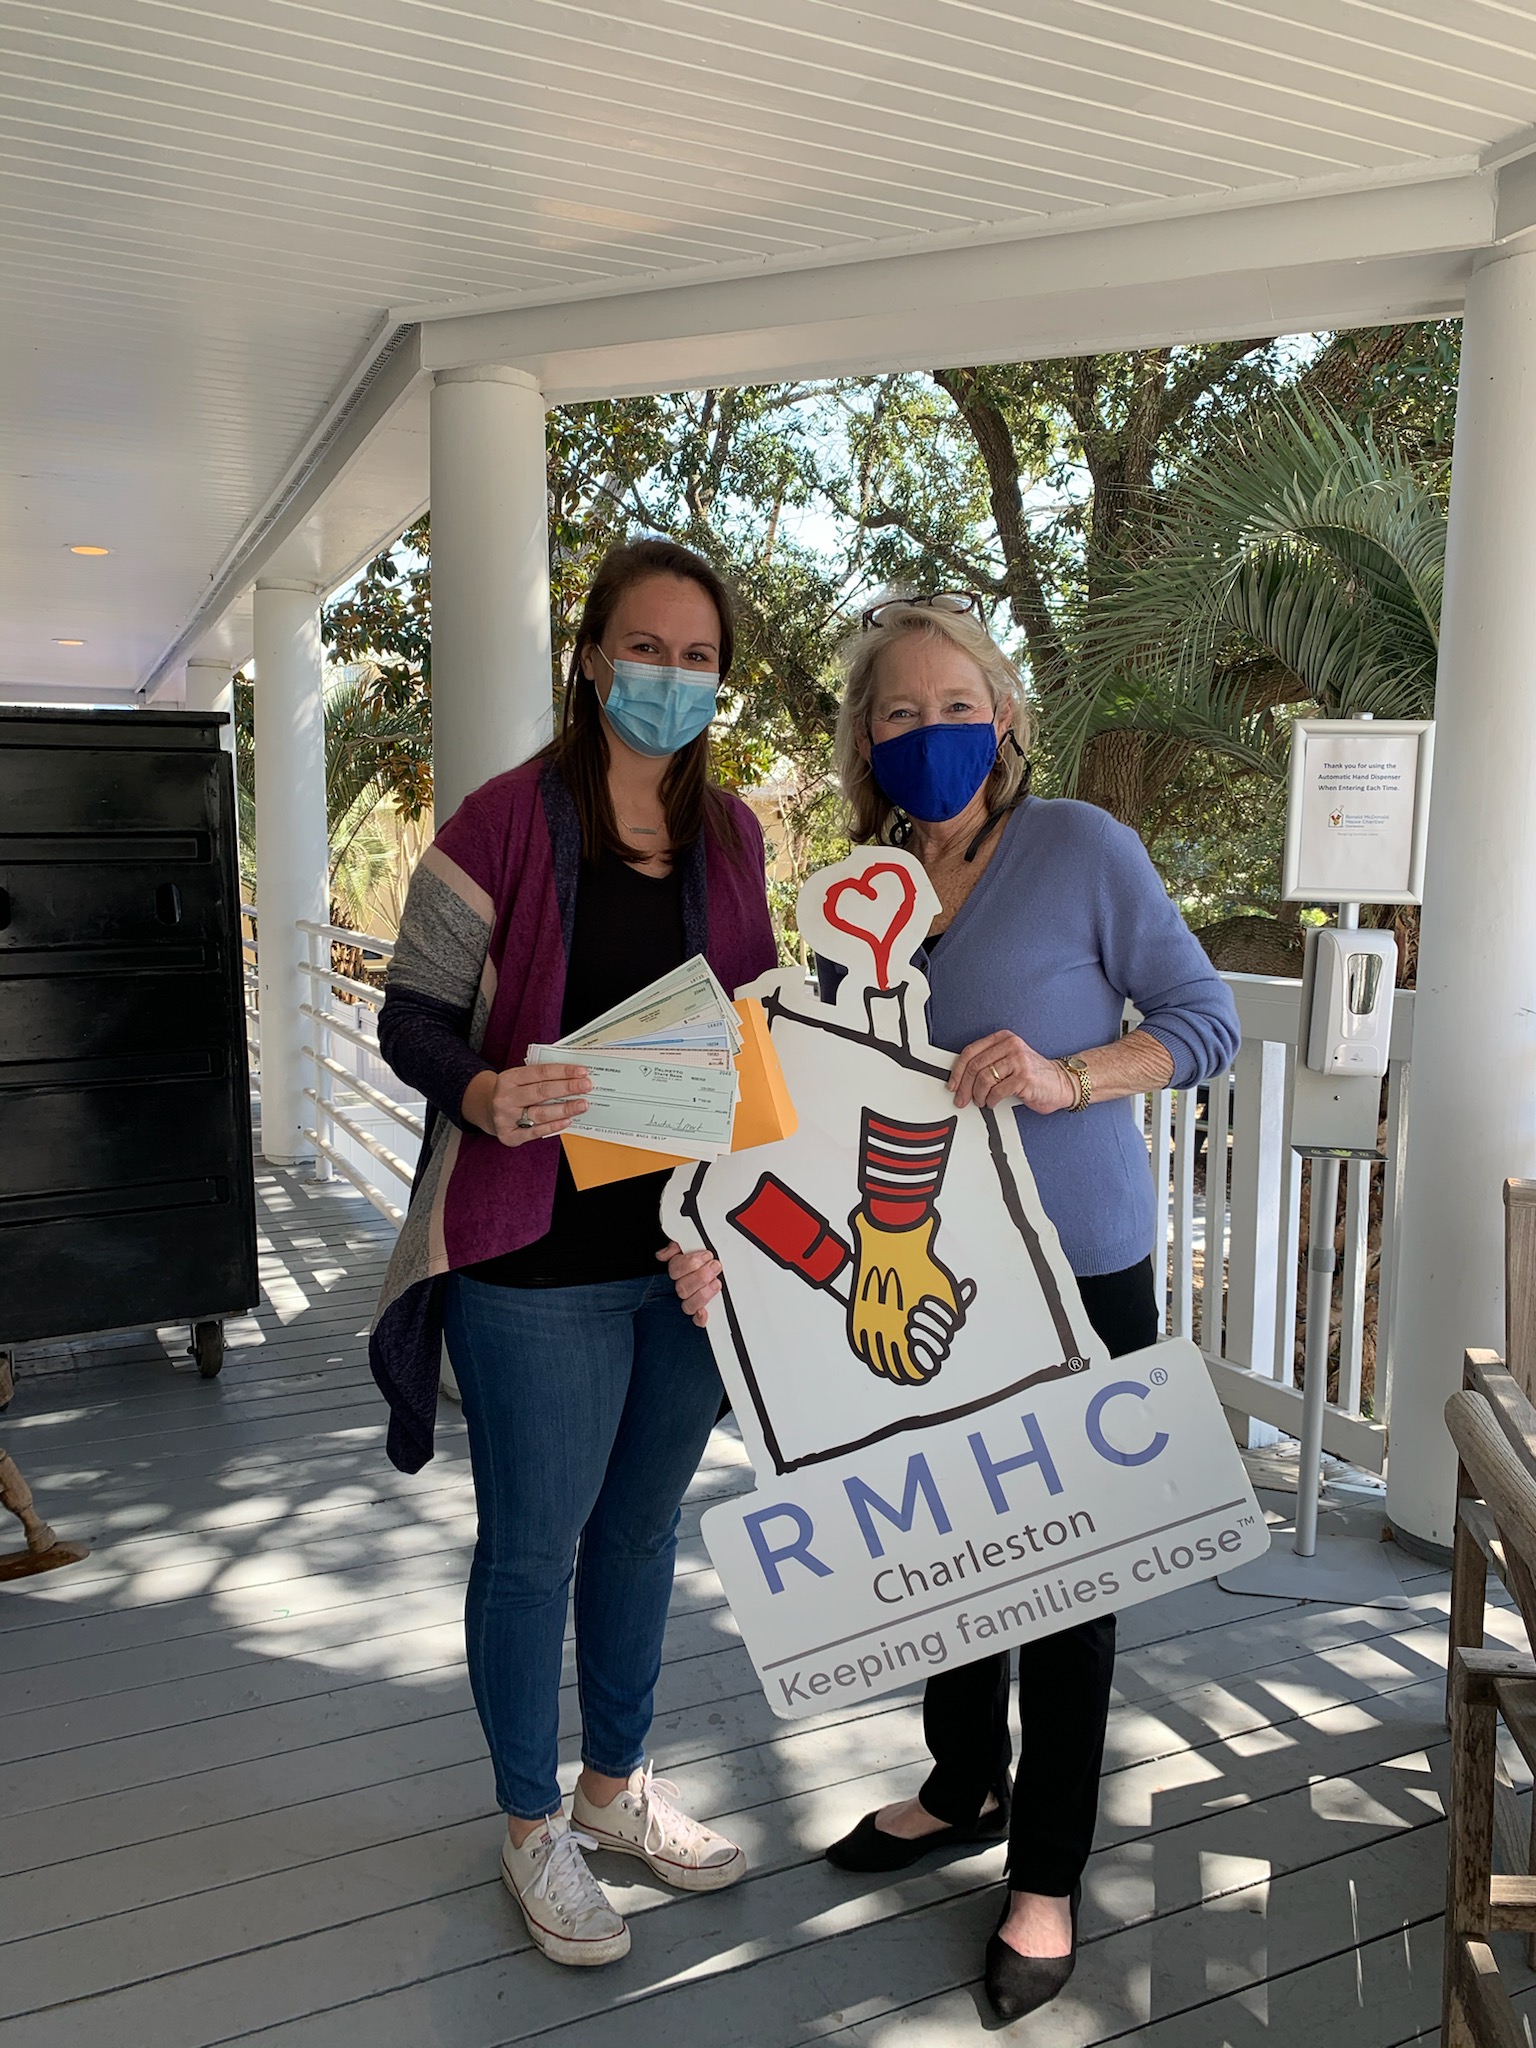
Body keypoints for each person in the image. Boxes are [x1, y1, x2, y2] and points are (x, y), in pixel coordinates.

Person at [663, 592, 1239, 2022]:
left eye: (954, 708)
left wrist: (1071, 1075)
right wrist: (724, 1234)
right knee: (950, 1528)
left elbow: (1204, 1021)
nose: (931, 735)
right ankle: (962, 1779)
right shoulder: (865, 897)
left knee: (1068, 1568)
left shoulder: (1083, 850)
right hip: (919, 1277)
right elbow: (806, 1105)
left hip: (1078, 1268)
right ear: (865, 740)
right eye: (899, 716)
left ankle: (1044, 1875)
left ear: (1008, 720)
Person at [369, 538, 777, 1969]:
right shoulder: (496, 824)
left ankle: (615, 1791)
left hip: (683, 1263)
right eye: (646, 648)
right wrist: (482, 1090)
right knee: (532, 1550)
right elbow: (410, 1012)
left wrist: (741, 1226)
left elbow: (754, 1035)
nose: (671, 675)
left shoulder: (732, 838)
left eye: (698, 655)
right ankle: (531, 1823)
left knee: (642, 1531)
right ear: (593, 655)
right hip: (531, 1263)